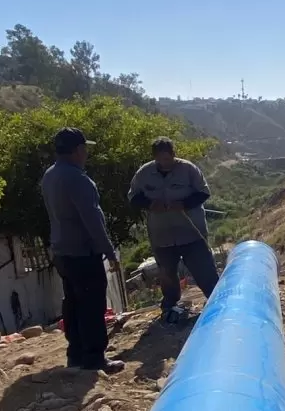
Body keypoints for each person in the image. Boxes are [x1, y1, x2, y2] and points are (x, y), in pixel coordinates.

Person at [41, 127, 124, 373]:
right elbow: (92, 220)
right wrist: (109, 251)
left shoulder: (50, 175)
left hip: (61, 251)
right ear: (78, 150)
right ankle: (95, 357)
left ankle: (75, 355)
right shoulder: (78, 179)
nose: (86, 153)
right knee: (92, 305)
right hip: (82, 252)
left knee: (74, 303)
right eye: (84, 148)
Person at [128, 137, 219, 322]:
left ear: (173, 154)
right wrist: (150, 204)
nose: (165, 163)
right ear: (154, 158)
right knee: (167, 273)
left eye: (168, 158)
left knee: (204, 270)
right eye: (160, 160)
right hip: (162, 236)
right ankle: (170, 307)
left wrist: (184, 204)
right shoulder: (144, 173)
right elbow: (133, 197)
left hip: (191, 233)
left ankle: (218, 301)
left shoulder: (188, 169)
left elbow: (204, 192)